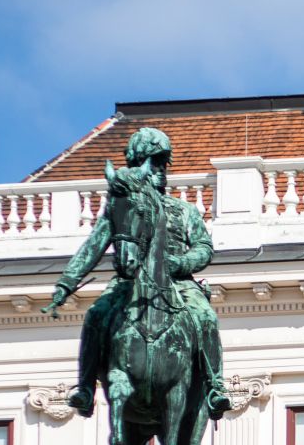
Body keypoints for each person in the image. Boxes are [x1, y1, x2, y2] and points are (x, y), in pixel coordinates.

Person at [42, 127, 228, 420]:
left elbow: (204, 247)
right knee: (95, 315)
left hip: (178, 283)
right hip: (127, 283)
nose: (157, 170)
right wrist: (66, 283)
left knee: (205, 316)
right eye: (150, 162)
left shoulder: (184, 210)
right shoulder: (122, 206)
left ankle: (215, 386)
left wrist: (181, 263)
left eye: (161, 163)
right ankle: (86, 388)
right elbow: (93, 246)